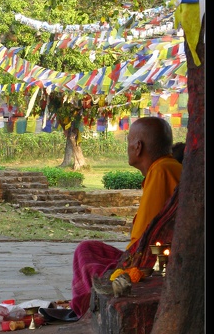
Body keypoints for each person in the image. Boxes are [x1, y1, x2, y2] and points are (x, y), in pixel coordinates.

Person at [40, 116, 182, 323]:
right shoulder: (167, 168)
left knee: (85, 254)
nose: (128, 147)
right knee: (89, 249)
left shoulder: (161, 171)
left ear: (138, 147)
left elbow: (144, 239)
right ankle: (83, 307)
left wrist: (125, 268)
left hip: (152, 262)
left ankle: (87, 311)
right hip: (155, 256)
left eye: (128, 142)